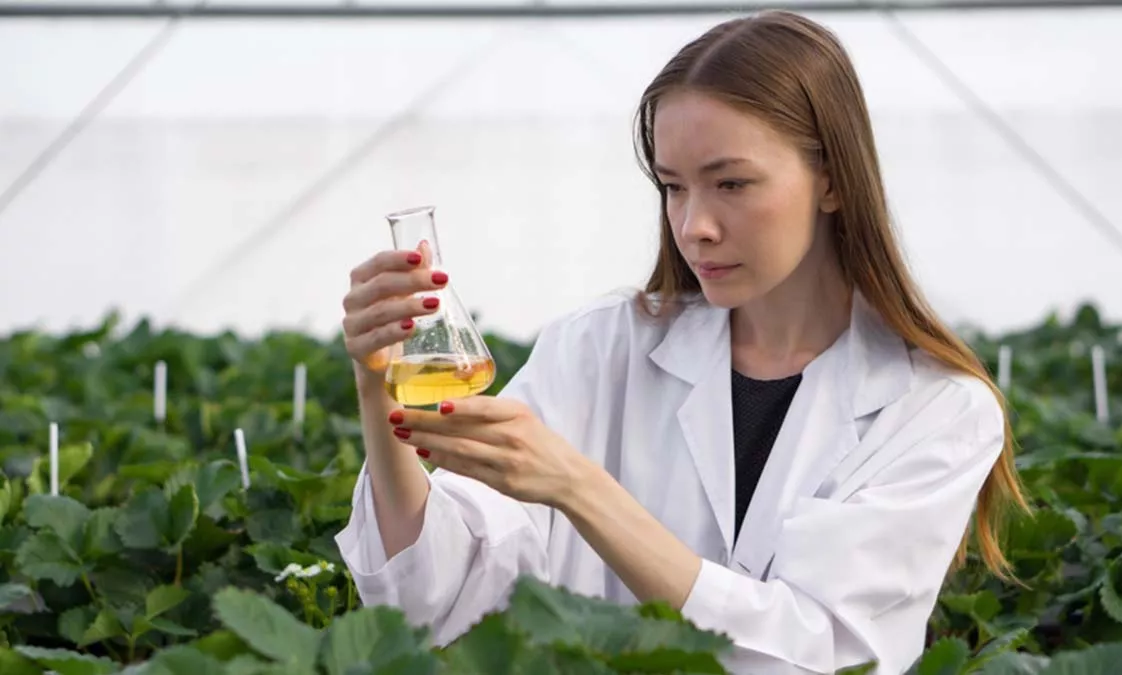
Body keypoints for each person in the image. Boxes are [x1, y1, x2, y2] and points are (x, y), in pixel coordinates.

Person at [334, 10, 1026, 675]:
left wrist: (581, 489)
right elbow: (436, 598)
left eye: (731, 183)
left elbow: (824, 655)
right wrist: (377, 382)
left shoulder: (938, 410)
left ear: (833, 180)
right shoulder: (599, 348)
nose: (694, 225)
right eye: (673, 186)